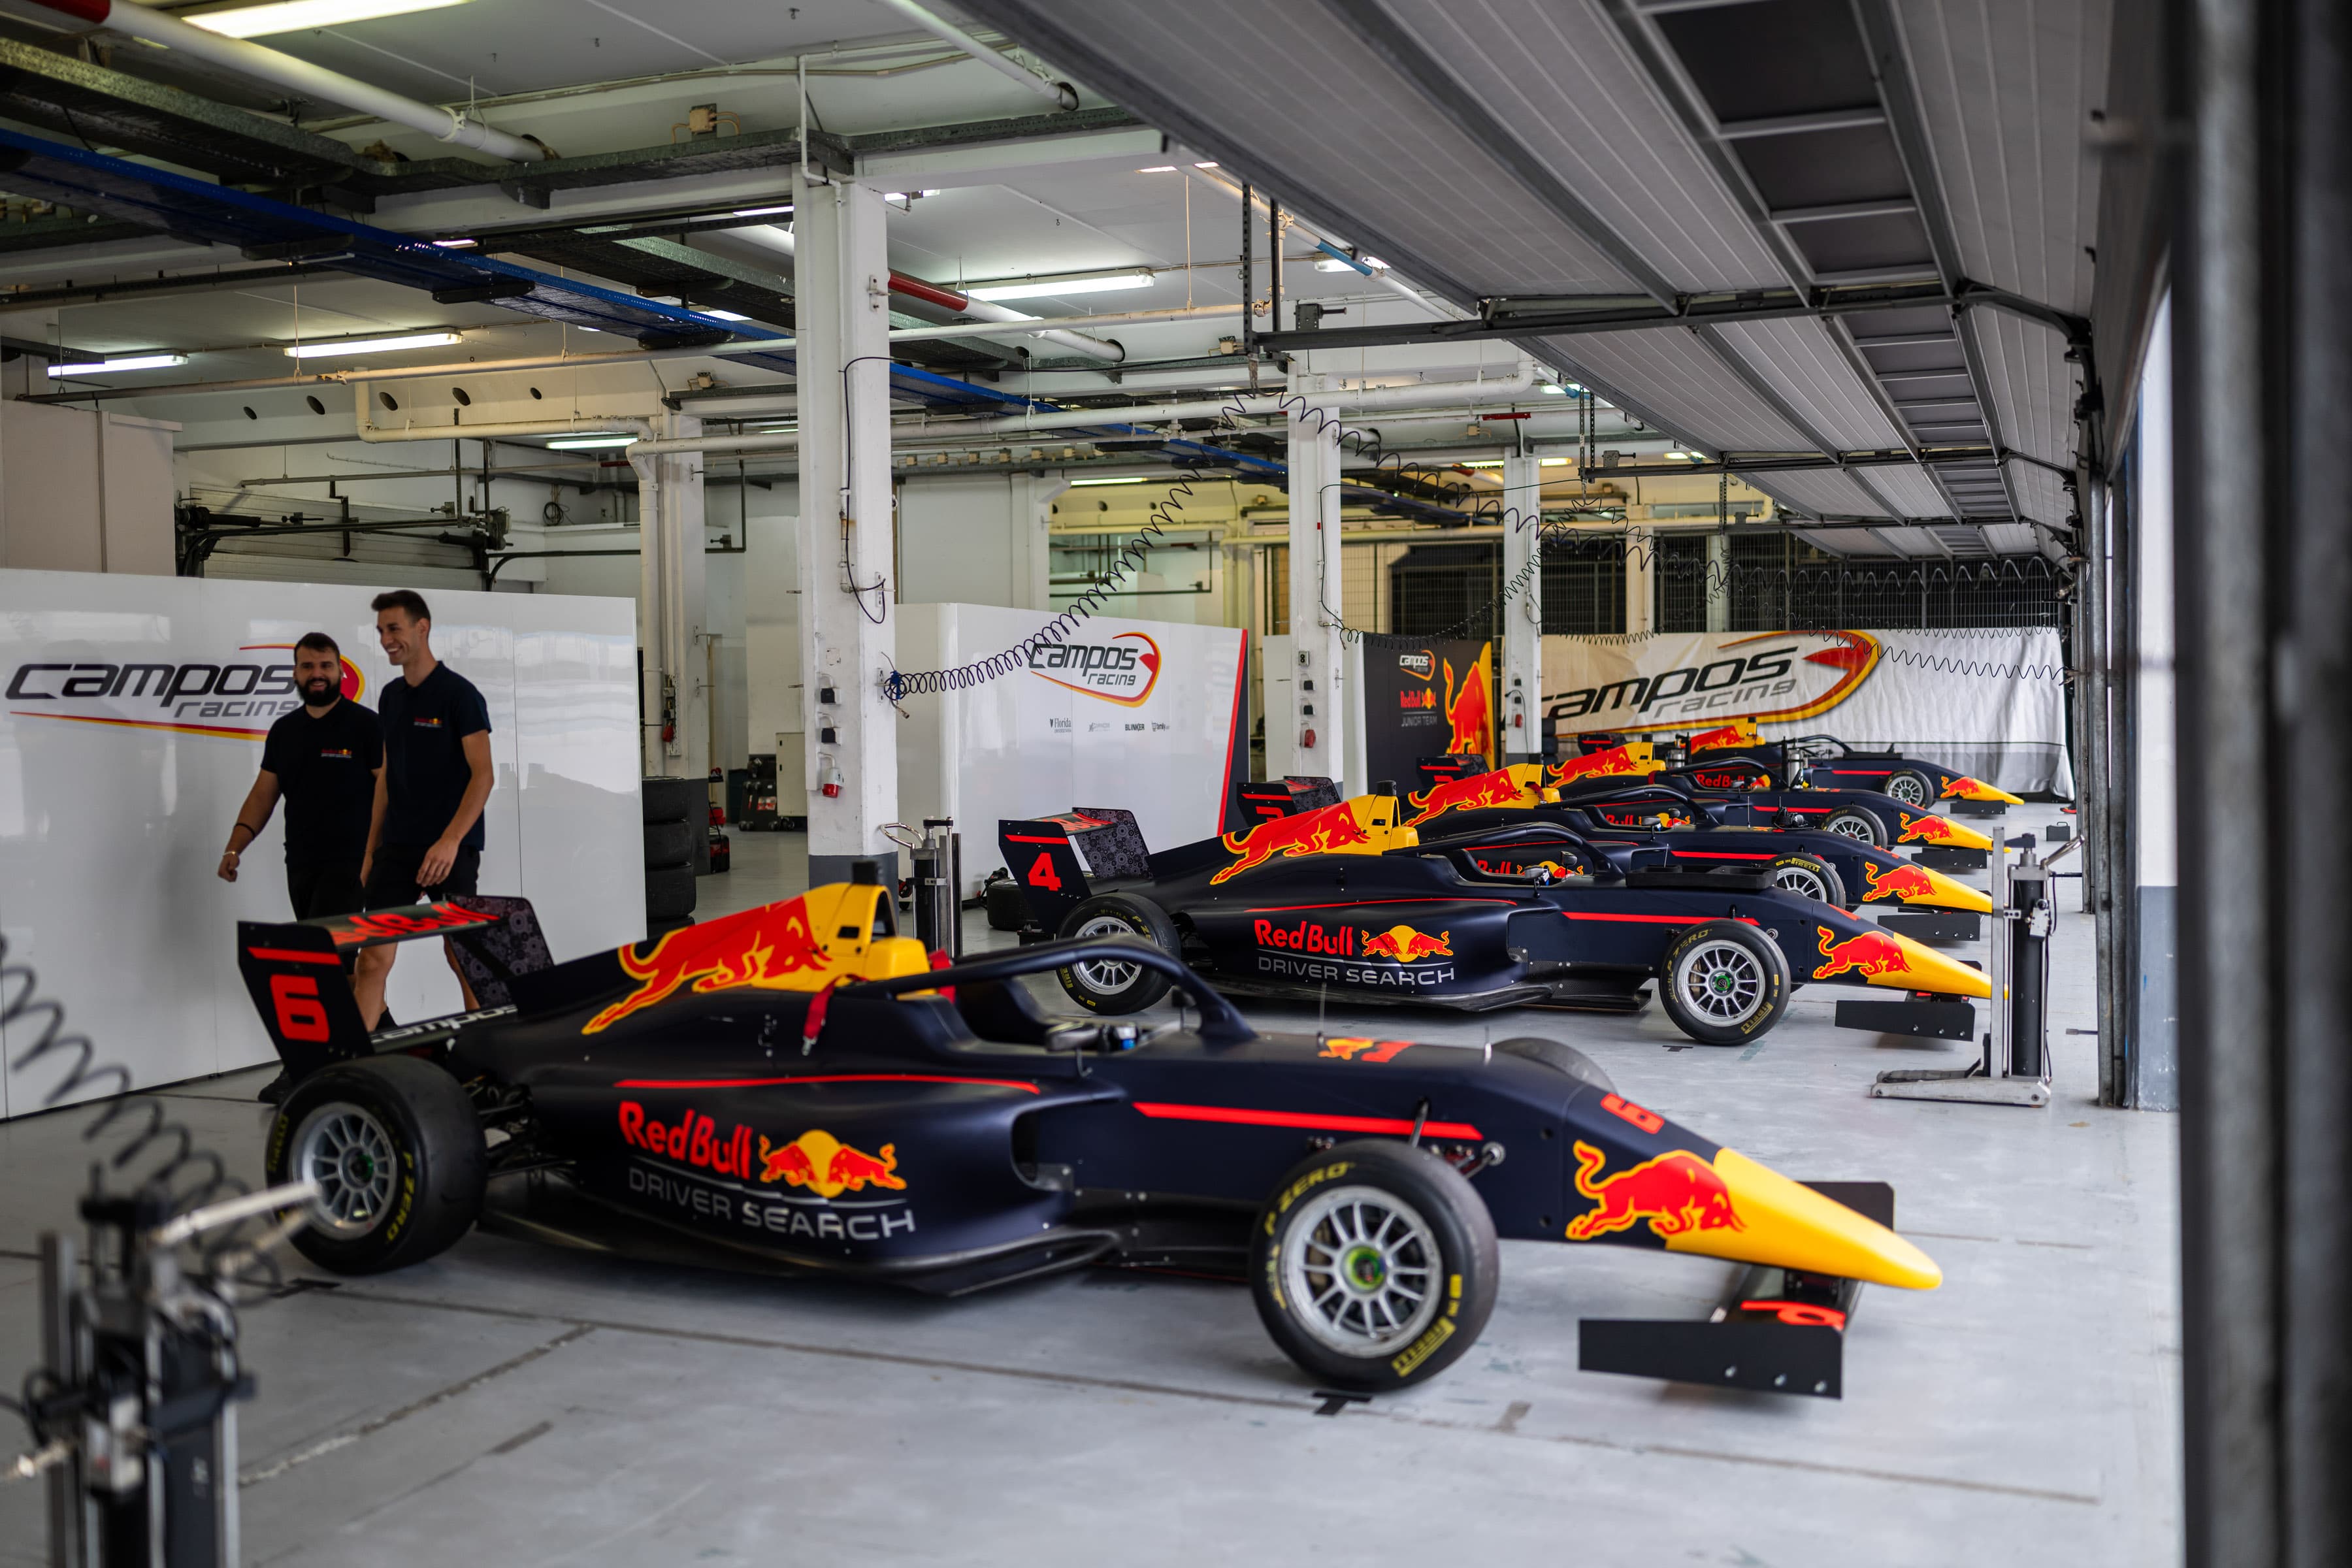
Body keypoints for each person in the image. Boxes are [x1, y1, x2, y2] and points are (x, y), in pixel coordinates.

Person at [218, 632, 382, 1102]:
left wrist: (379, 858)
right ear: (295, 672)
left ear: (340, 672)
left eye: (326, 666)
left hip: (352, 865)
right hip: (302, 865)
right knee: (346, 972)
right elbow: (263, 794)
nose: (317, 675)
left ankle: (307, 1068)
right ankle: (393, 1043)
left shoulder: (365, 727)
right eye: (308, 666)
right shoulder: (286, 732)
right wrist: (235, 847)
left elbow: (390, 796)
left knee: (323, 966)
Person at [353, 589, 495, 1031]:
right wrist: (370, 850)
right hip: (398, 846)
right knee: (373, 958)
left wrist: (450, 841)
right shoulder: (391, 697)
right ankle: (360, 1061)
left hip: (450, 848)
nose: (386, 639)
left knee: (462, 953)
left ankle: (486, 1052)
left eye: (393, 628)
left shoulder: (460, 695)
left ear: (422, 627)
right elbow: (387, 780)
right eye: (380, 631)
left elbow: (483, 775)